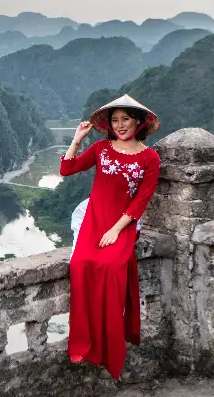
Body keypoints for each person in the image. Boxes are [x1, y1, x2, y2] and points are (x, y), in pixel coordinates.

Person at [59, 94, 161, 380]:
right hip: (94, 220)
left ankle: (110, 347)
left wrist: (116, 229)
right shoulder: (101, 148)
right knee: (81, 265)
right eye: (115, 120)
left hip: (123, 224)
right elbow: (67, 169)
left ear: (139, 122)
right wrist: (77, 140)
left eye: (125, 119)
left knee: (112, 268)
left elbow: (141, 200)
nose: (120, 125)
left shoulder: (150, 158)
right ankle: (84, 343)